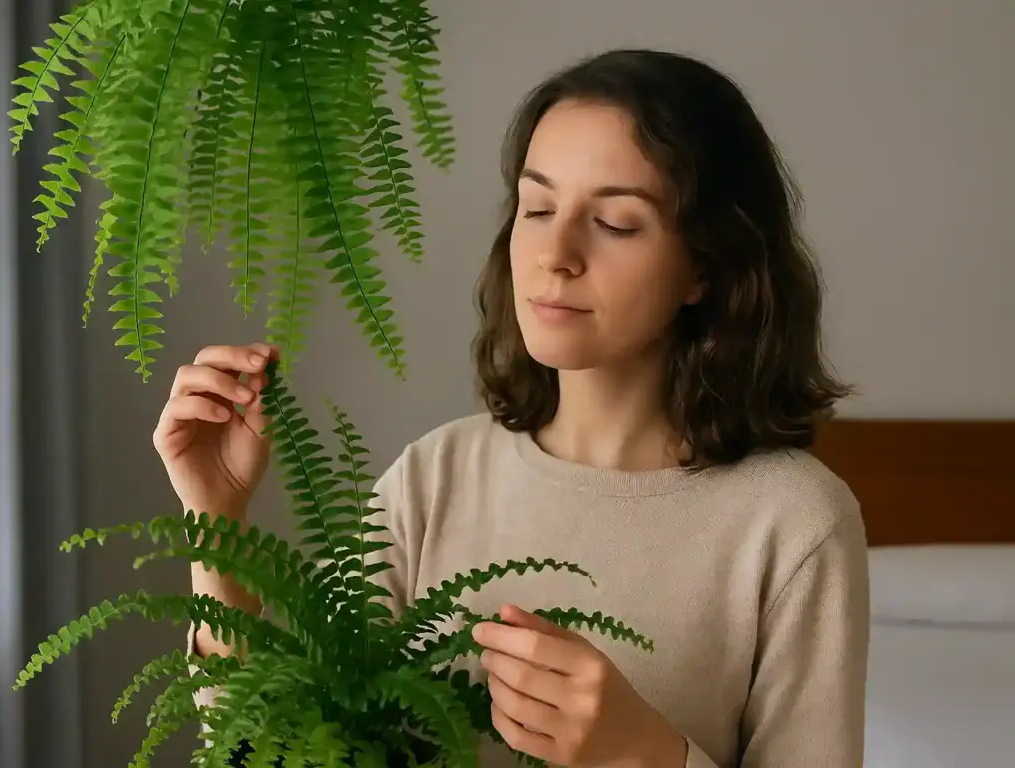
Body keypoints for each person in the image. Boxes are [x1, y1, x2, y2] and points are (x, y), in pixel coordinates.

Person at [153, 48, 869, 768]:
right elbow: (273, 751)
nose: (556, 252)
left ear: (705, 266)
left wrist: (643, 754)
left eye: (617, 222)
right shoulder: (433, 479)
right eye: (538, 207)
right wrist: (218, 524)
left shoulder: (793, 523)